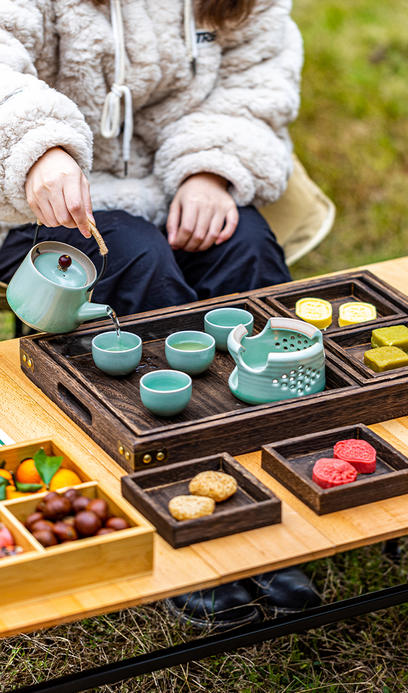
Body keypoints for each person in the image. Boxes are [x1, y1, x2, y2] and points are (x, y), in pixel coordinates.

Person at [0, 0, 320, 625]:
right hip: (41, 199)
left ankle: (273, 489)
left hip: (180, 181)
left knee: (247, 252)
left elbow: (256, 81)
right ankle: (181, 499)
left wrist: (211, 168)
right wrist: (38, 146)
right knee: (141, 265)